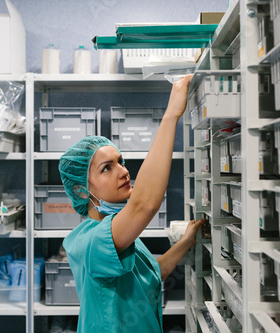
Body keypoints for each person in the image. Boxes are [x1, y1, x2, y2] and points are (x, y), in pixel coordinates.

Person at [59, 74, 206, 333]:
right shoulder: (90, 243)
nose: (124, 171)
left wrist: (185, 242)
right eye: (107, 168)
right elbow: (145, 205)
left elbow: (148, 276)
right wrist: (171, 115)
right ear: (82, 191)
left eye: (121, 161)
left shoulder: (118, 231)